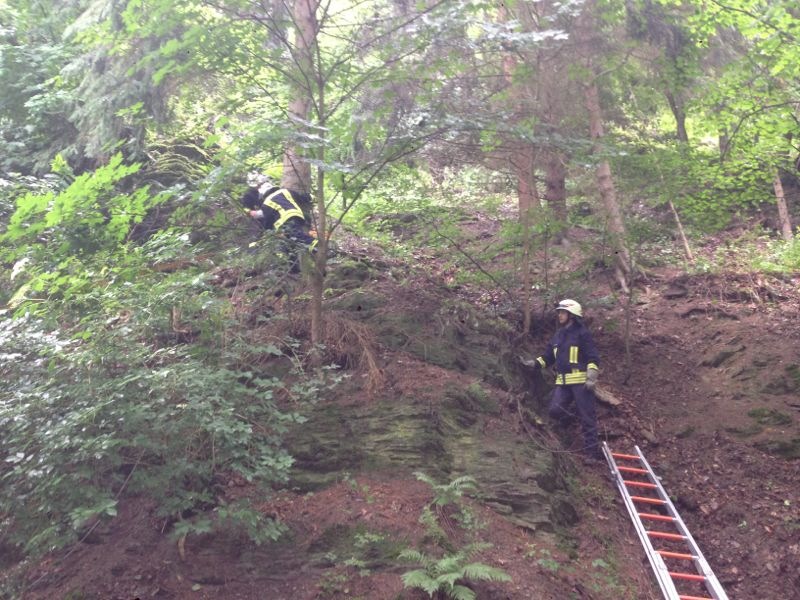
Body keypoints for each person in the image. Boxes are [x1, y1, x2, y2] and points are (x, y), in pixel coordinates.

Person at [520, 299, 602, 462]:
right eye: (559, 312)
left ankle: (592, 453)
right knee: (554, 411)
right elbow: (548, 357)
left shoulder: (582, 334)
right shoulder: (558, 335)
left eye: (563, 312)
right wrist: (534, 363)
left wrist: (591, 376)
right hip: (563, 383)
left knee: (587, 417)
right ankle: (571, 418)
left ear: (572, 315)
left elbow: (593, 357)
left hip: (581, 383)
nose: (559, 315)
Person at [241, 179, 316, 272]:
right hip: (297, 216)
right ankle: (294, 269)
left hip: (284, 221)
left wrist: (267, 231)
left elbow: (268, 219)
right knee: (290, 243)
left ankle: (314, 244)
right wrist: (311, 197)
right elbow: (302, 198)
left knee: (295, 237)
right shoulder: (285, 191)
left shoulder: (266, 203)